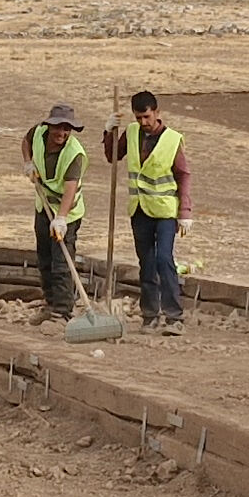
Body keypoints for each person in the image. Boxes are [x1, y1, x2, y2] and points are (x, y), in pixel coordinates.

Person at [102, 91, 191, 332]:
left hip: (164, 212)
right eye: (139, 117)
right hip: (139, 210)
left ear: (157, 113)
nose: (143, 122)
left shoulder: (172, 140)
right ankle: (150, 315)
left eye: (147, 117)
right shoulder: (131, 133)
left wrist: (185, 211)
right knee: (147, 264)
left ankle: (174, 317)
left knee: (164, 260)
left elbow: (183, 175)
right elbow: (112, 157)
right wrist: (108, 131)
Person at [23, 103, 90, 316]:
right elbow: (25, 142)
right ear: (49, 126)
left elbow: (70, 189)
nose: (62, 133)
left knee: (61, 261)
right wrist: (28, 163)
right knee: (44, 257)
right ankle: (51, 303)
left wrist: (61, 219)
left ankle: (63, 310)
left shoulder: (75, 154)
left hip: (67, 213)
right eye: (58, 127)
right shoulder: (38, 133)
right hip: (43, 206)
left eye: (66, 129)